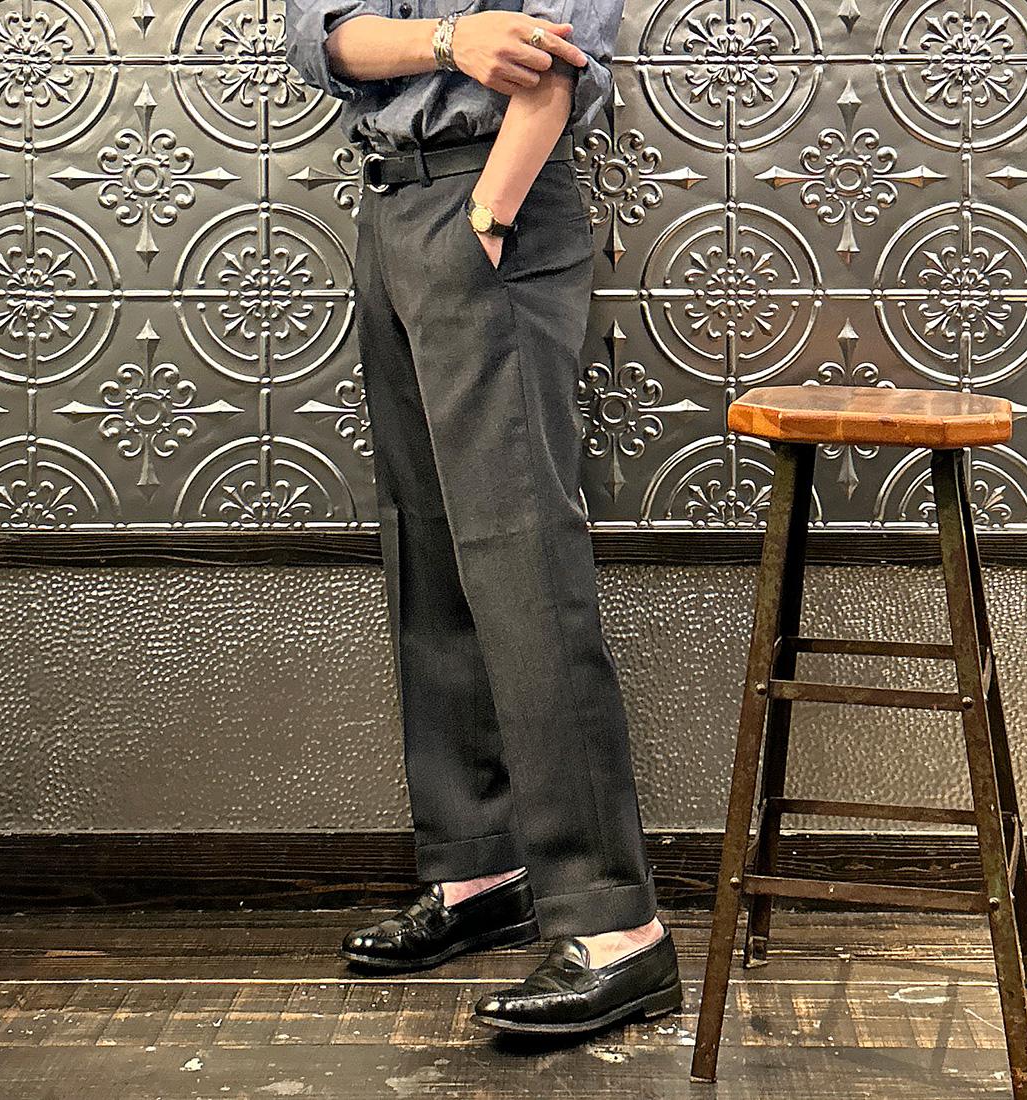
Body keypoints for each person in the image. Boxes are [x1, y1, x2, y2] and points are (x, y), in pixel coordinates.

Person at [283, 0, 682, 1035]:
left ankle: (615, 925)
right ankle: (479, 868)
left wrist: (488, 219)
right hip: (387, 207)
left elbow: (550, 66)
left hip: (492, 197)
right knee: (429, 544)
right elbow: (322, 38)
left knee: (522, 558)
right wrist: (451, 41)